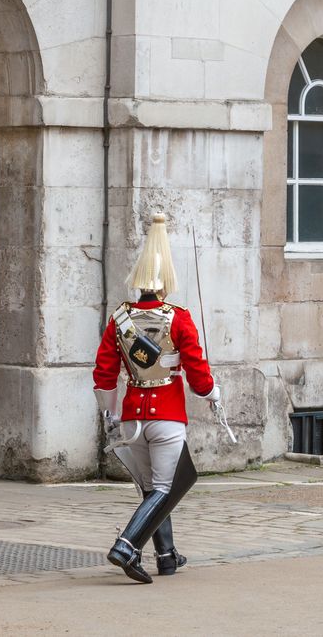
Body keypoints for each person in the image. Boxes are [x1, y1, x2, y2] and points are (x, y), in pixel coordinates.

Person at [92, 212, 221, 583]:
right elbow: (197, 373)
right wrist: (212, 392)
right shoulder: (178, 318)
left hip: (133, 416)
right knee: (166, 489)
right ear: (165, 285)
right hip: (166, 414)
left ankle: (166, 555)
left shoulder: (119, 319)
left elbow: (103, 373)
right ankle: (126, 546)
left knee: (152, 489)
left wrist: (111, 412)